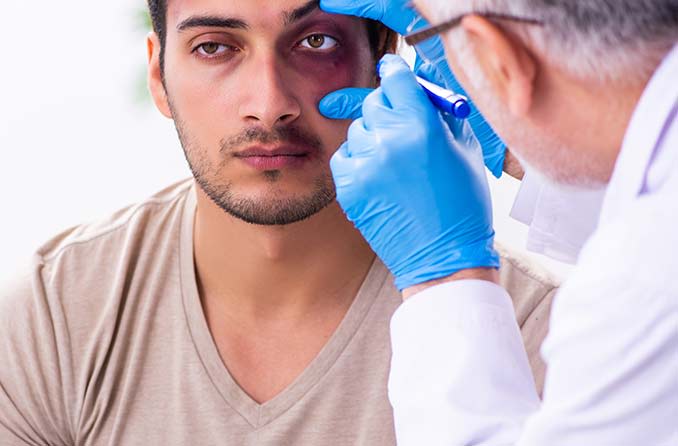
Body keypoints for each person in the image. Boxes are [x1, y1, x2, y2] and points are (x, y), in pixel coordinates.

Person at [0, 0, 560, 445]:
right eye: (214, 47)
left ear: (385, 59)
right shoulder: (52, 319)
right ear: (158, 74)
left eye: (316, 42)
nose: (268, 104)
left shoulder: (540, 329)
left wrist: (532, 143)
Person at [318, 0, 678, 444]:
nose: (268, 104)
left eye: (316, 41)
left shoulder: (644, 289)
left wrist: (444, 272)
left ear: (499, 60)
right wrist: (531, 132)